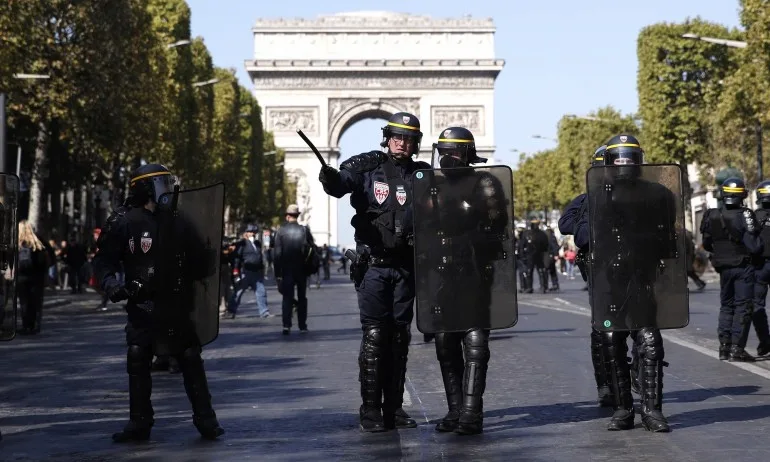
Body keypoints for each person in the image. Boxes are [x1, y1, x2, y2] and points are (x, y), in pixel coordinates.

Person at [92, 163, 224, 442]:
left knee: (189, 357)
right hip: (143, 305)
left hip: (177, 302)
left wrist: (207, 259)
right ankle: (139, 423)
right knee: (138, 357)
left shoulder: (178, 219)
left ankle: (206, 420)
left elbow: (200, 257)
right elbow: (103, 259)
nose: (167, 188)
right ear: (144, 188)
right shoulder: (123, 220)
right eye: (161, 183)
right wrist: (111, 284)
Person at [318, 111, 429, 432]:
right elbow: (341, 185)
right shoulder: (367, 167)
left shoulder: (423, 175)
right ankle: (370, 410)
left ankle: (394, 409)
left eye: (409, 139)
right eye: (397, 137)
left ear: (415, 144)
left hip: (406, 268)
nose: (402, 143)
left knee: (400, 337)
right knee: (376, 336)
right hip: (374, 267)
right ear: (387, 138)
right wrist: (330, 177)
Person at [561, 136, 678, 432]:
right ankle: (622, 409)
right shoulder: (596, 197)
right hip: (608, 279)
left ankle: (652, 410)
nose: (625, 164)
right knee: (612, 342)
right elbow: (582, 236)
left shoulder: (658, 194)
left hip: (642, 277)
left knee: (649, 341)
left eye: (629, 158)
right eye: (619, 159)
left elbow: (668, 239)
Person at [420, 126, 509, 435]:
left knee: (474, 339)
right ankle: (455, 409)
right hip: (440, 273)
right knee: (445, 341)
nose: (448, 157)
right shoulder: (431, 185)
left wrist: (460, 212)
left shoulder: (486, 182)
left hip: (474, 269)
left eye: (454, 151)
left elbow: (497, 223)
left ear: (468, 154)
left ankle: (472, 412)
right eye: (444, 151)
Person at [701, 177, 764, 361]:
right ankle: (737, 348)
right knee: (742, 307)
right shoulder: (745, 215)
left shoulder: (711, 214)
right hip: (743, 266)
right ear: (742, 195)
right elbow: (754, 246)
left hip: (723, 267)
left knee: (726, 306)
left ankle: (724, 347)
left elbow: (706, 243)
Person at [274, 204, 314, 335]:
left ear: (287, 216)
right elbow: (312, 249)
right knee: (302, 298)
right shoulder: (304, 230)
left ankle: (286, 325)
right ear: (298, 216)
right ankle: (302, 325)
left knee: (287, 298)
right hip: (301, 269)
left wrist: (277, 274)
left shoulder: (280, 231)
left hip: (286, 270)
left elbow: (277, 254)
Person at [226, 224, 271, 319]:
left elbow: (260, 257)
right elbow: (237, 259)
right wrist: (235, 271)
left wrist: (262, 270)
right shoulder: (242, 244)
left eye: (254, 232)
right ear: (246, 233)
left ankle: (264, 312)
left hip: (256, 273)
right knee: (238, 293)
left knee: (261, 292)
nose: (252, 234)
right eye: (250, 232)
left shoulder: (257, 244)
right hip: (246, 272)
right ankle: (231, 311)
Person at [17, 221, 50, 335]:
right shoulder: (39, 244)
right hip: (37, 278)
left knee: (24, 302)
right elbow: (47, 261)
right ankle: (35, 325)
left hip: (21, 277)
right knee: (36, 301)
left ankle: (26, 325)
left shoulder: (18, 244)